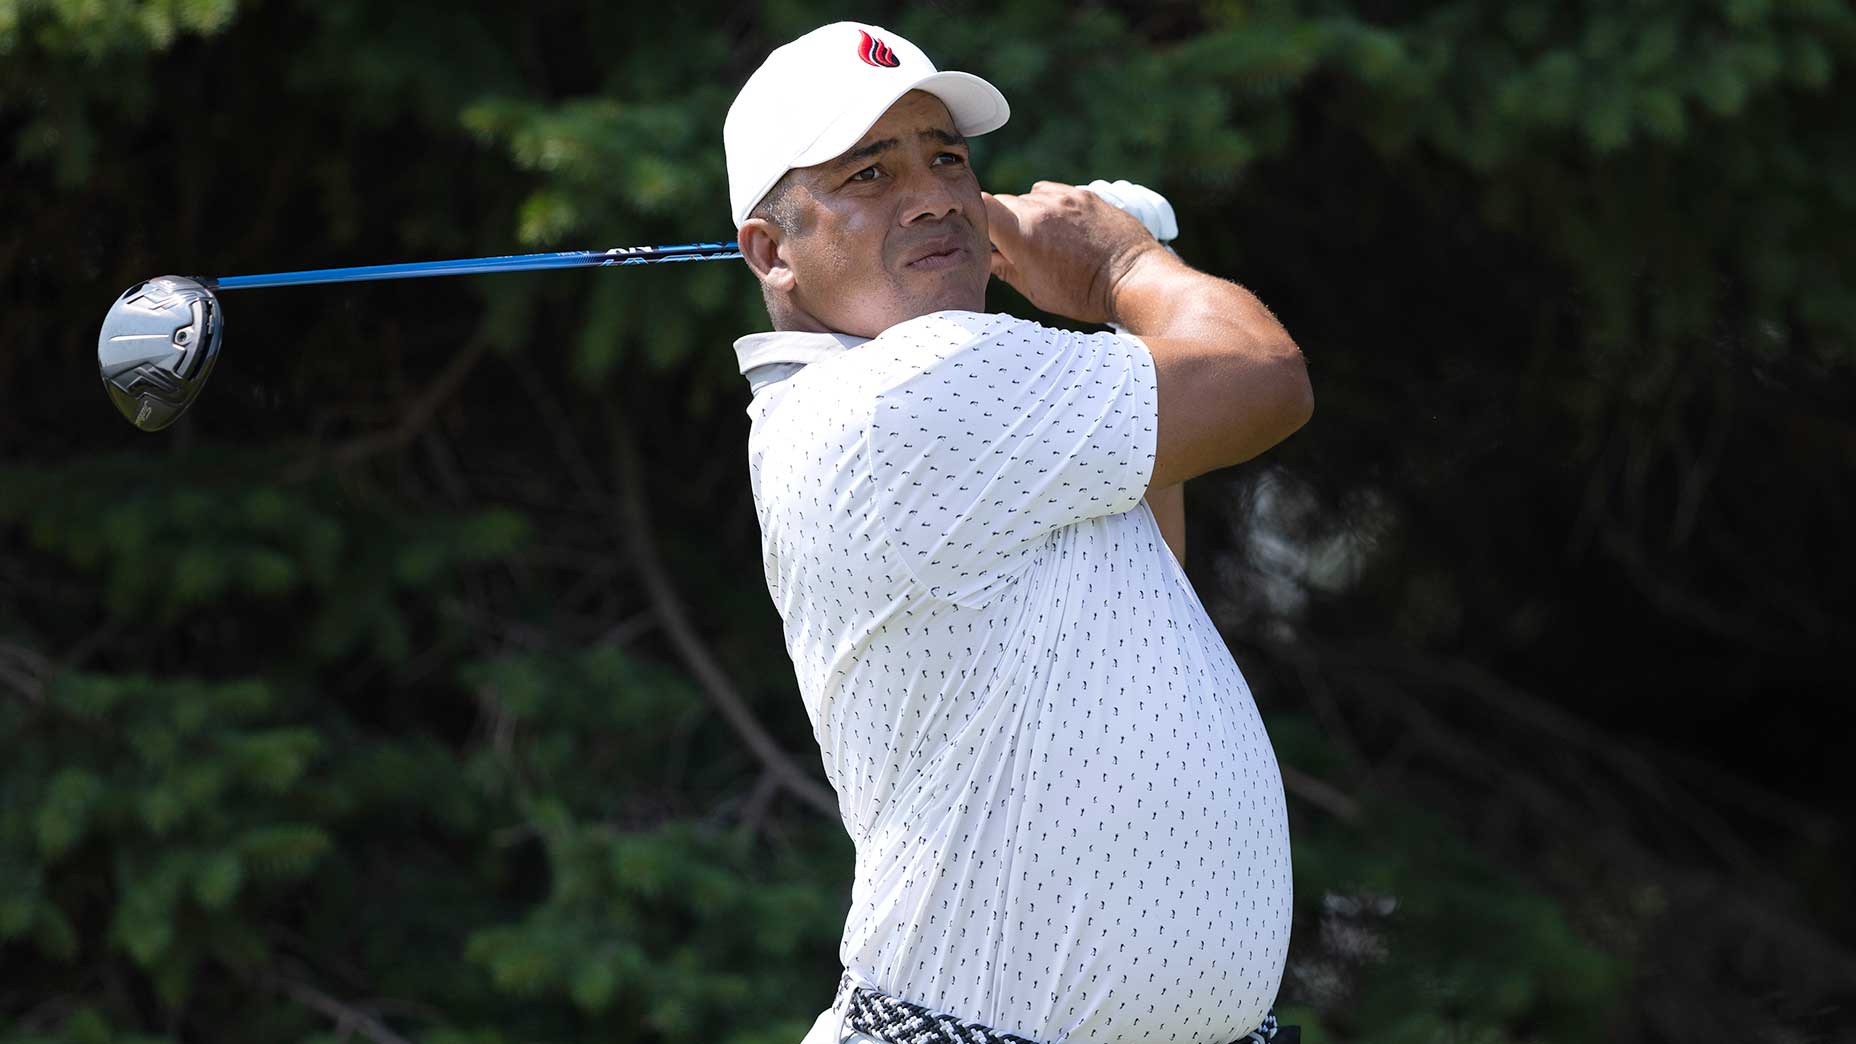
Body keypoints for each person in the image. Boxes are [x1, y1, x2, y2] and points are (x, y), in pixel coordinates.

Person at [724, 21, 1312, 1044]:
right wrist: (1118, 265)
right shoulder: (908, 388)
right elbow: (1265, 382)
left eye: (946, 157)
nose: (935, 196)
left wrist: (1116, 301)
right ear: (773, 253)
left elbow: (1148, 577)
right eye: (868, 173)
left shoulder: (976, 409)